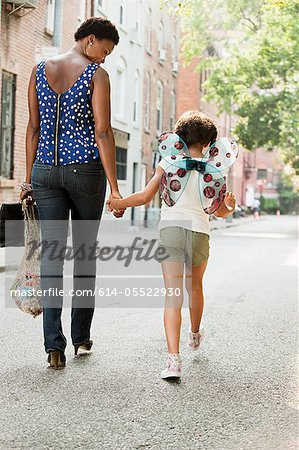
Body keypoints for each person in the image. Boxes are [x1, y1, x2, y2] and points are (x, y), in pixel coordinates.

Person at [19, 17, 125, 369]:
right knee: (84, 255)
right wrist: (114, 186)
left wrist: (28, 178)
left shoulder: (39, 69)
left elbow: (32, 128)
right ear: (90, 39)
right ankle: (80, 337)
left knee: (51, 258)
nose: (104, 58)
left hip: (45, 172)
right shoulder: (96, 76)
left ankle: (53, 346)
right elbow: (104, 131)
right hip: (85, 172)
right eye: (105, 50)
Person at [107, 111, 236, 380]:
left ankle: (173, 361)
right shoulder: (215, 169)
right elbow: (220, 211)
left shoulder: (168, 162)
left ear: (179, 139)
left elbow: (144, 197)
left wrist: (118, 203)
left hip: (171, 230)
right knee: (196, 286)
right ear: (208, 143)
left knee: (173, 295)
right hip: (200, 231)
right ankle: (195, 334)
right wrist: (230, 207)